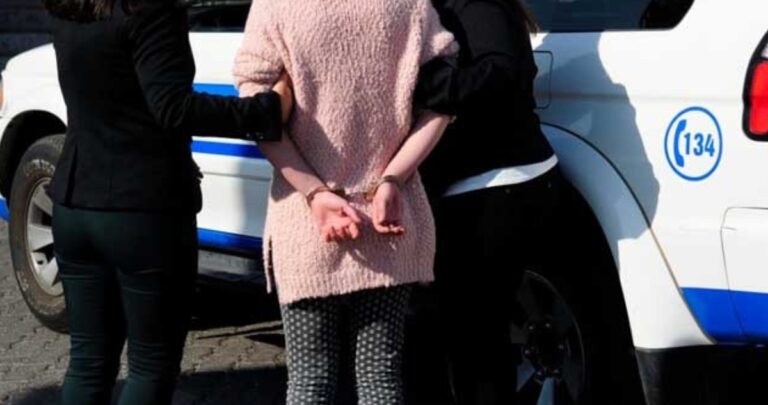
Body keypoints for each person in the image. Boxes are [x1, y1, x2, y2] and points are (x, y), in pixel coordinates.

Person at [43, 0, 292, 403]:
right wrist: (265, 111)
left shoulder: (68, 7)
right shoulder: (151, 10)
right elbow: (173, 108)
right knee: (150, 367)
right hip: (144, 208)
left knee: (88, 364)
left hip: (74, 201)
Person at [233, 0, 457, 403]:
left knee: (310, 382)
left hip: (305, 224)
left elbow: (258, 115)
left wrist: (315, 193)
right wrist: (392, 178)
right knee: (381, 378)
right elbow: (442, 103)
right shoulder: (411, 5)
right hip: (389, 218)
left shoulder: (276, 6)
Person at [408, 0, 562, 403]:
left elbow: (500, 71)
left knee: (476, 342)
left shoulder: (477, 4)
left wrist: (423, 86)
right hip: (486, 184)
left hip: (495, 187)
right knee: (473, 339)